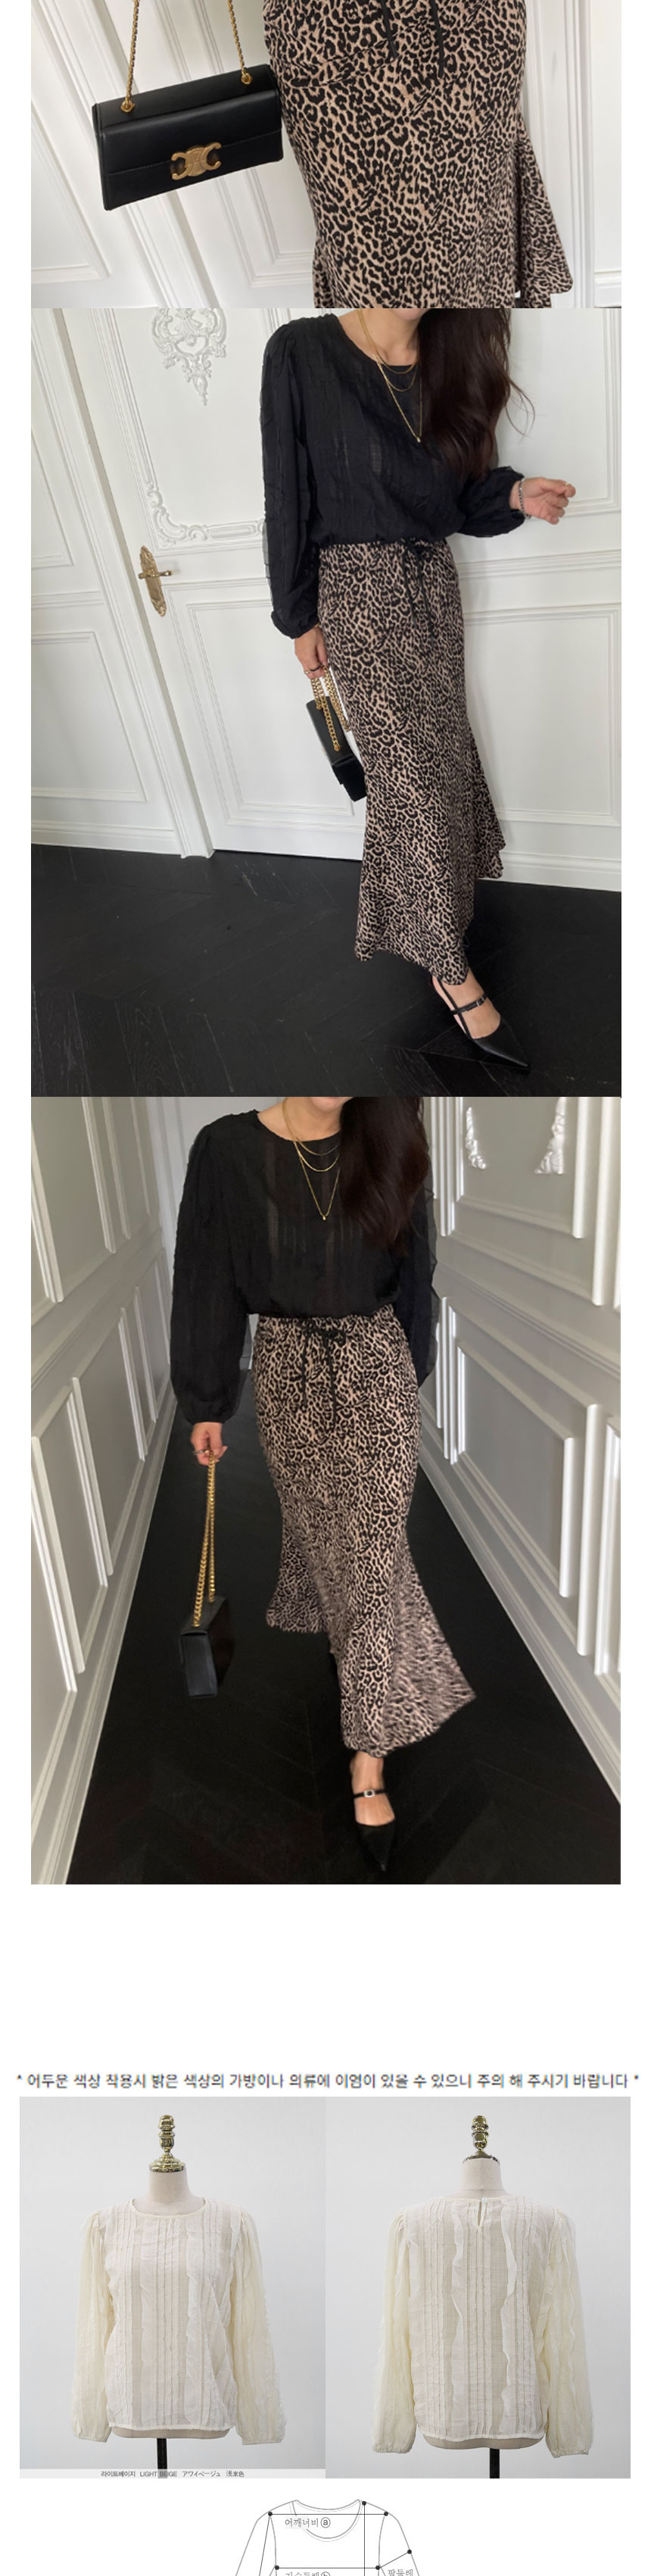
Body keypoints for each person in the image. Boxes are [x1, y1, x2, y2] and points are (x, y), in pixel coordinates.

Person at [260, 308, 575, 1076]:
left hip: (433, 583)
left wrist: (514, 495)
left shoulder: (449, 359)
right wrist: (298, 614)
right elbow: (286, 492)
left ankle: (435, 909)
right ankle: (447, 966)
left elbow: (454, 499)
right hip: (356, 593)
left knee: (439, 759)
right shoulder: (303, 350)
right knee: (409, 784)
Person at [170, 1095, 472, 1875]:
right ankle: (351, 1642)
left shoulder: (393, 1131)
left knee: (373, 1556)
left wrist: (402, 1379)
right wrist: (207, 1400)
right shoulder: (226, 1151)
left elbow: (417, 1268)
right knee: (323, 1533)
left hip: (375, 1368)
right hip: (288, 1373)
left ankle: (368, 1756)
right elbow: (205, 1275)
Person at [262, 0, 572, 313]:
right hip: (326, 36)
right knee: (363, 243)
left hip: (478, 26)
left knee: (478, 215)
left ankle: (475, 339)